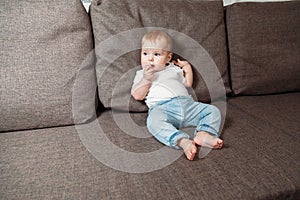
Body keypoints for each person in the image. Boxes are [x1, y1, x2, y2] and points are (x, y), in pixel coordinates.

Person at [131, 30, 223, 160]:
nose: (150, 58)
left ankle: (204, 134)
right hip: (162, 108)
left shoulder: (174, 70)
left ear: (168, 58)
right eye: (145, 53)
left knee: (212, 110)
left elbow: (187, 83)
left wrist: (187, 67)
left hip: (187, 105)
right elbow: (137, 95)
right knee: (153, 122)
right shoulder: (141, 74)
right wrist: (146, 79)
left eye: (157, 54)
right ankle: (182, 141)